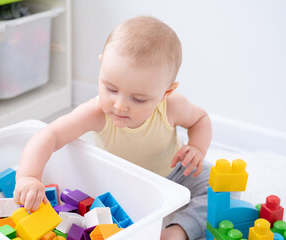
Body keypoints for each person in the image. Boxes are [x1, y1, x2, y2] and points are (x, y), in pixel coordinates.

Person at [14, 16, 213, 240]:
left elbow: (201, 120)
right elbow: (50, 135)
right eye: (110, 88)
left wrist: (196, 147)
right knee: (106, 209)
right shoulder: (97, 112)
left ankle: (177, 231)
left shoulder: (172, 106)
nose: (119, 105)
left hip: (175, 174)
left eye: (138, 99)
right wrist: (29, 176)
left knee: (219, 189)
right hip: (123, 184)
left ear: (166, 92)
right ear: (102, 66)